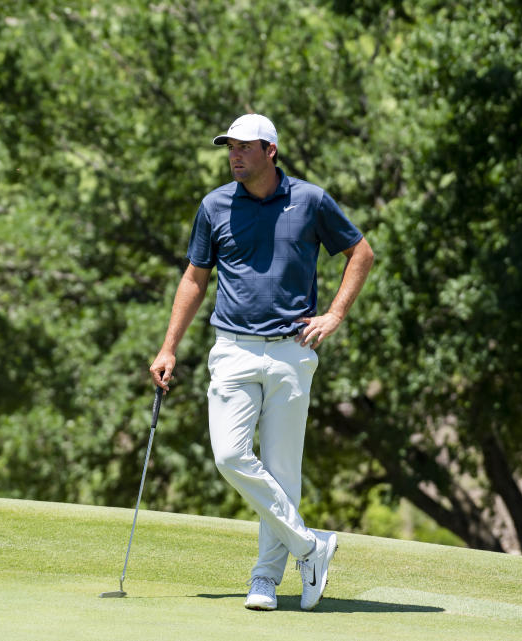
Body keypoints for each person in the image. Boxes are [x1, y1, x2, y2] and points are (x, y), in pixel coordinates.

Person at [148, 114, 374, 612]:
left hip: (293, 350)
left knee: (281, 469)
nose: (234, 155)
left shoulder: (310, 200)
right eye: (230, 147)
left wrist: (335, 314)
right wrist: (169, 347)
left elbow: (361, 252)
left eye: (244, 147)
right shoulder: (215, 206)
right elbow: (194, 279)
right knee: (229, 455)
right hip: (232, 349)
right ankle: (310, 547)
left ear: (270, 150)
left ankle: (266, 579)